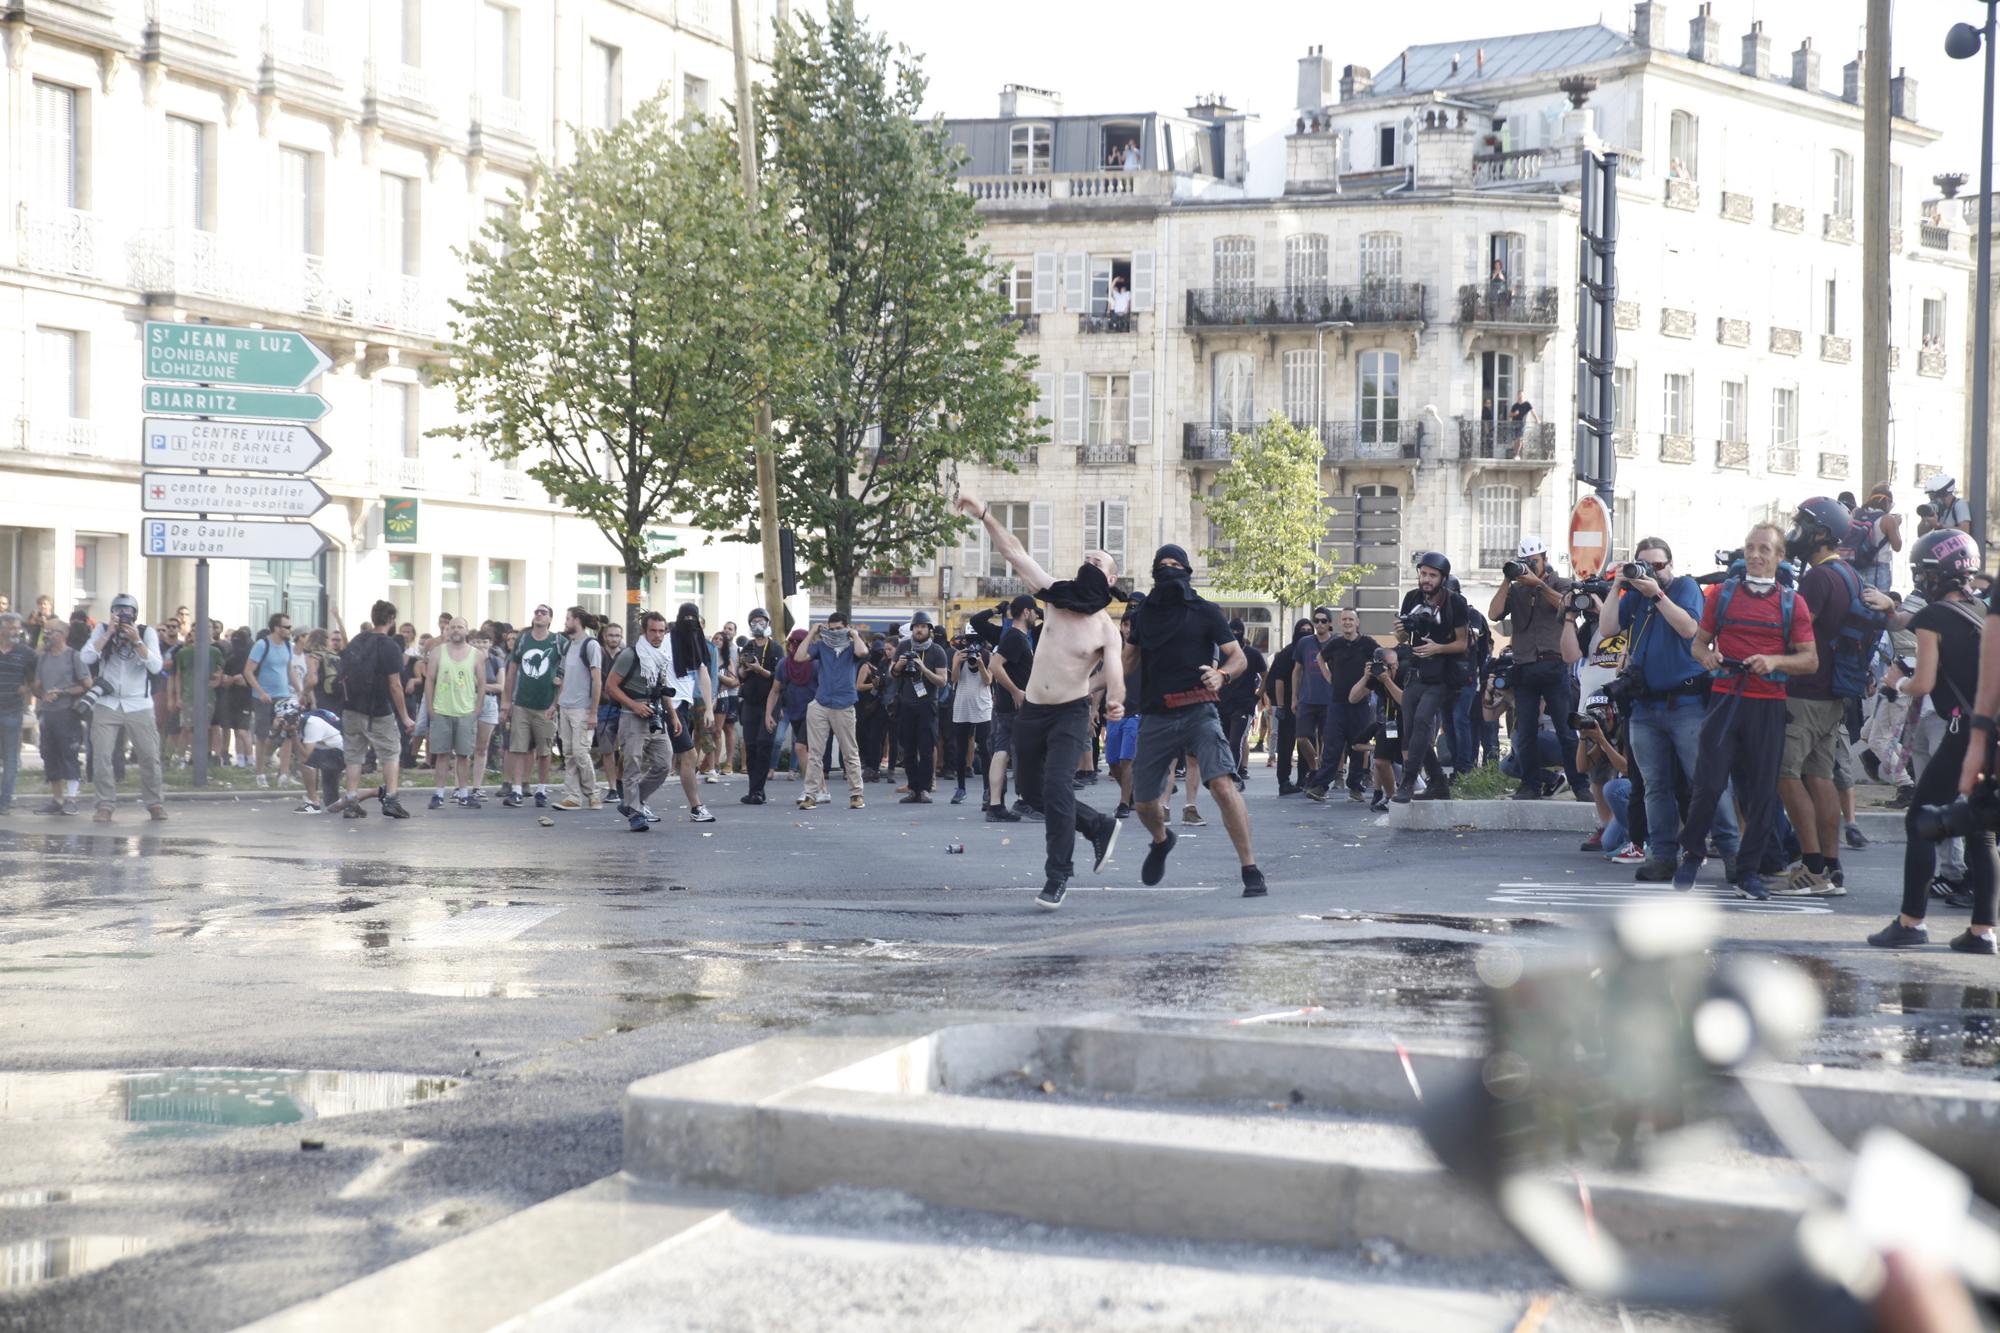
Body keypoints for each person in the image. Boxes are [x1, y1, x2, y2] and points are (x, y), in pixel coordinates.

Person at [957, 490, 1127, 909]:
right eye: (1086, 558)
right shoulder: (1052, 594)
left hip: (1069, 714)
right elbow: (1013, 551)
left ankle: (1057, 877)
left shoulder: (1105, 628)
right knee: (1031, 795)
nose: (1090, 562)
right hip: (1031, 711)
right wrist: (985, 514)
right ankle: (1098, 825)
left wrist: (1115, 701)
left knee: (1055, 787)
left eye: (1098, 562)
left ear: (1109, 581)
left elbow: (1116, 674)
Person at [1677, 524, 1820, 898]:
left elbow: (1810, 660)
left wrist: (1772, 661)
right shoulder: (1721, 595)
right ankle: (1691, 853)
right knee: (1708, 784)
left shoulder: (1793, 603)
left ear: (1779, 557)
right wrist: (1708, 657)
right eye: (1750, 548)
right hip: (1725, 699)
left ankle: (1748, 871)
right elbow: (1699, 645)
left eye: (1764, 550)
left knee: (1761, 795)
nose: (1755, 556)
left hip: (1767, 704)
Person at [1121, 542, 1264, 897]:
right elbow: (1126, 662)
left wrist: (1223, 676)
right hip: (1156, 714)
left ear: (1186, 570)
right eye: (1162, 564)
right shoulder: (1144, 617)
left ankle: (1250, 868)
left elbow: (1237, 657)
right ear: (1154, 571)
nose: (1168, 569)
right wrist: (1099, 684)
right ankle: (1161, 839)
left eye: (1175, 564)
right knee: (1143, 802)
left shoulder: (1205, 611)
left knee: (1221, 785)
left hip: (1199, 708)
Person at [1872, 531, 1992, 951]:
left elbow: (1922, 682)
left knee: (1919, 821)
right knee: (1980, 829)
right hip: (1987, 729)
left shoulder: (1933, 617)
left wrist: (1896, 680)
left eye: (1923, 572)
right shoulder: (1980, 609)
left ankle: (1911, 922)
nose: (1921, 579)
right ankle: (1983, 931)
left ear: (1937, 573)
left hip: (1959, 731)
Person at [1600, 537, 1742, 883]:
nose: (1653, 572)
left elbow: (1690, 629)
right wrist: (1619, 584)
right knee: (1654, 786)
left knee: (1706, 782)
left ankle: (1731, 851)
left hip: (1687, 703)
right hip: (1645, 706)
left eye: (1658, 565)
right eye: (1646, 565)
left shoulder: (1684, 588)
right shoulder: (1634, 595)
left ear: (1670, 564)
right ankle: (1662, 854)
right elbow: (1607, 630)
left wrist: (1657, 594)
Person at [1777, 498, 1894, 897]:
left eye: (1802, 526)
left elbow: (1797, 631)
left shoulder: (1817, 579)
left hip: (1805, 694)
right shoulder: (1848, 574)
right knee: (1820, 777)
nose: (1796, 534)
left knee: (1786, 775)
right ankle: (1831, 867)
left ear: (1821, 533)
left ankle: (1811, 867)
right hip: (1833, 695)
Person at [1489, 539, 1583, 802]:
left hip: (1554, 665)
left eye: (1534, 561)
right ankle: (1529, 785)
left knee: (1566, 730)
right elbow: (1494, 613)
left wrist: (1539, 585)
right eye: (1525, 562)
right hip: (1524, 666)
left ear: (1544, 558)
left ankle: (1579, 783)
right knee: (1526, 731)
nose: (1529, 567)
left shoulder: (1560, 582)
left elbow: (1566, 605)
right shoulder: (1516, 590)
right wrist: (1509, 579)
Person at [80, 593, 166, 822]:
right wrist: (108, 634)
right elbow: (86, 657)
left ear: (135, 614)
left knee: (149, 756)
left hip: (138, 703)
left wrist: (136, 641)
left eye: (127, 612)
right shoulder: (102, 629)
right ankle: (105, 804)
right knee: (102, 756)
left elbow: (156, 666)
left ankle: (154, 802)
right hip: (108, 702)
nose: (122, 615)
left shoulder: (147, 633)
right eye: (118, 611)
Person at [330, 601, 414, 820]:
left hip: (350, 707)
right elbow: (395, 685)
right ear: (392, 619)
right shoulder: (389, 646)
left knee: (354, 756)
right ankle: (391, 800)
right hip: (377, 708)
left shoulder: (359, 640)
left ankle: (350, 802)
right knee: (390, 752)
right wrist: (405, 716)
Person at [1397, 552, 1471, 803]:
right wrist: (1400, 633)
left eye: (1432, 575)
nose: (1426, 579)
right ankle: (1438, 782)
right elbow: (1403, 640)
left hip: (1442, 675)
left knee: (1421, 722)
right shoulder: (1411, 598)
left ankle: (1407, 782)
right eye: (1424, 573)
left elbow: (1463, 644)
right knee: (1410, 730)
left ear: (1443, 578)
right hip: (1416, 671)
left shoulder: (1456, 603)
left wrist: (1437, 647)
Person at [606, 611, 683, 834]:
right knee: (632, 764)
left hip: (655, 712)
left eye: (661, 631)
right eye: (653, 631)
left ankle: (631, 802)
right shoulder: (631, 654)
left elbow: (662, 687)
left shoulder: (661, 655)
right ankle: (636, 814)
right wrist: (634, 705)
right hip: (632, 715)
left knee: (664, 763)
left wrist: (673, 715)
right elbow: (611, 686)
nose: (658, 635)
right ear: (644, 631)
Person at [971, 596, 1037, 820]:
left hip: (1006, 706)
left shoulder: (1016, 637)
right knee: (1026, 754)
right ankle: (1025, 801)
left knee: (1002, 752)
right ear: (1027, 612)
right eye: (1035, 612)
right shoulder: (1015, 638)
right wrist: (1016, 691)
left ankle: (996, 805)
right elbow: (994, 665)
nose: (1037, 616)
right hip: (1014, 707)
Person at [1301, 608, 1377, 802]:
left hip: (1360, 703)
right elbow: (1319, 658)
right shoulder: (1335, 644)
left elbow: (1381, 659)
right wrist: (1329, 678)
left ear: (1357, 622)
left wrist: (1370, 683)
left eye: (1351, 619)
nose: (1347, 622)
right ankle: (1321, 787)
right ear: (1339, 623)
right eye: (1344, 619)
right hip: (1337, 702)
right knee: (1332, 745)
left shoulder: (1368, 644)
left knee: (1358, 746)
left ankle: (1356, 788)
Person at [795, 611, 868, 811]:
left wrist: (854, 634)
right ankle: (811, 794)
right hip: (821, 701)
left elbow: (863, 653)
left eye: (839, 628)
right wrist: (812, 632)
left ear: (846, 627)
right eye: (832, 628)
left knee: (850, 752)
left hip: (844, 703)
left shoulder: (853, 646)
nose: (835, 632)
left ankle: (856, 794)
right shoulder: (822, 646)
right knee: (815, 752)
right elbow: (799, 656)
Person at [501, 603, 563, 808]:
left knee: (544, 751)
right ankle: (517, 790)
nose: (538, 614)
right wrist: (506, 701)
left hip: (546, 705)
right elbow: (512, 670)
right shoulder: (523, 639)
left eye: (543, 612)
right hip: (522, 704)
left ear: (550, 619)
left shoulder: (557, 641)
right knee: (518, 747)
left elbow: (567, 670)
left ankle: (542, 790)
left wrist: (557, 701)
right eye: (536, 611)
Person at [423, 618, 484, 809]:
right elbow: (430, 679)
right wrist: (430, 708)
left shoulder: (477, 655)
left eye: (460, 627)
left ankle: (464, 794)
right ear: (447, 631)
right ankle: (439, 794)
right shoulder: (437, 652)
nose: (456, 630)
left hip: (466, 711)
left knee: (463, 755)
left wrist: (477, 708)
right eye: (452, 627)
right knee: (441, 755)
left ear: (467, 631)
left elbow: (482, 683)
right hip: (442, 710)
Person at [550, 607, 604, 811]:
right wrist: (554, 704)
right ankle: (572, 796)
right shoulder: (568, 646)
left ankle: (593, 794)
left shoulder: (591, 645)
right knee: (570, 753)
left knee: (581, 752)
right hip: (565, 706)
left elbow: (597, 680)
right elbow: (563, 678)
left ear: (577, 621)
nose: (565, 622)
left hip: (582, 708)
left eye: (568, 618)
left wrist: (593, 712)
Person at [31, 624, 89, 814]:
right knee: (49, 754)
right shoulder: (44, 658)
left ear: (63, 635)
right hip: (47, 713)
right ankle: (57, 799)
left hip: (68, 712)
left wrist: (63, 692)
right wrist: (42, 695)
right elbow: (36, 686)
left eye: (51, 632)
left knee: (69, 754)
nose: (47, 635)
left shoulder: (74, 656)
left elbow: (87, 684)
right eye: (46, 632)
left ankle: (72, 799)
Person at [732, 609, 783, 805]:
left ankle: (759, 789)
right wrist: (744, 667)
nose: (757, 625)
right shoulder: (747, 646)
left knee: (764, 744)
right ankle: (754, 789)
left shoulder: (776, 648)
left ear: (768, 622)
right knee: (751, 745)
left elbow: (776, 677)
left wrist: (758, 668)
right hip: (750, 702)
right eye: (753, 622)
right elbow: (741, 677)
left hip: (769, 702)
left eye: (761, 621)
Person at [246, 612, 298, 789]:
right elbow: (248, 671)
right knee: (261, 735)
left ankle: (283, 773)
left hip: (283, 696)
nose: (290, 630)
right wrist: (260, 692)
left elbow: (289, 670)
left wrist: (299, 690)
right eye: (287, 627)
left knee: (287, 734)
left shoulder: (288, 646)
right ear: (277, 628)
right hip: (264, 697)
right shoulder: (262, 645)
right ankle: (260, 773)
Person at [1262, 619, 1311, 795]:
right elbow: (1279, 681)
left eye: (1308, 630)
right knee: (1286, 744)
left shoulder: (1313, 652)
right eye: (1302, 630)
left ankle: (1303, 778)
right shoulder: (1287, 653)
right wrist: (1281, 706)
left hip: (1308, 704)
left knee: (1306, 742)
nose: (1305, 633)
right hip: (1289, 705)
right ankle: (1284, 781)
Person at [1216, 618, 1266, 788]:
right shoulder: (1221, 653)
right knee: (1223, 741)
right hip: (1222, 704)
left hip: (1244, 704)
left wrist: (1258, 696)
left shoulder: (1253, 654)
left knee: (1235, 741)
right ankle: (1226, 773)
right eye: (1233, 631)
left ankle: (1234, 777)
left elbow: (1266, 675)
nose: (1236, 634)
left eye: (1238, 631)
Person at [947, 629, 994, 805]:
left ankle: (987, 790)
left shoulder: (988, 655)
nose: (972, 645)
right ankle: (961, 788)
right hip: (962, 704)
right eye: (969, 640)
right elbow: (954, 679)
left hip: (982, 704)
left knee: (985, 748)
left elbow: (988, 680)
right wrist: (957, 662)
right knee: (960, 748)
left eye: (976, 641)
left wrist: (980, 664)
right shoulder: (959, 655)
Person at [1290, 608, 1336, 783]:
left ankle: (1324, 774)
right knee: (1301, 738)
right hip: (1307, 698)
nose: (1320, 624)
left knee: (1327, 739)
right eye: (1316, 621)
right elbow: (1296, 671)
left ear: (1330, 623)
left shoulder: (1336, 642)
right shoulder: (1305, 643)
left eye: (1324, 621)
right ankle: (1314, 767)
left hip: (1330, 699)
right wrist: (1294, 697)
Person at [0, 613, 36, 813]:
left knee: (11, 758)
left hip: (12, 711)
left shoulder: (26, 653)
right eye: (11, 627)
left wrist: (28, 689)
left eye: (17, 628)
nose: (16, 631)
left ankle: (4, 801)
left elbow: (35, 677)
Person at [1841, 484, 1904, 593]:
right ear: (1887, 502)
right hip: (1878, 568)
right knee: (1879, 603)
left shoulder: (1856, 513)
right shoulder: (1887, 519)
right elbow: (1897, 546)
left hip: (1855, 564)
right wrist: (1896, 525)